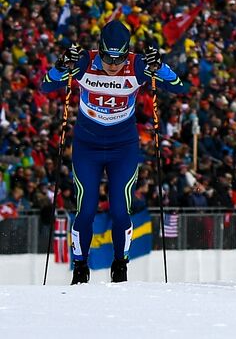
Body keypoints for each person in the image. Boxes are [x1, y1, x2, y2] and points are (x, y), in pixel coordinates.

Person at [40, 19, 186, 284]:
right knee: (86, 209)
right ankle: (80, 266)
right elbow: (46, 86)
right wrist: (62, 65)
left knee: (120, 210)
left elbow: (179, 87)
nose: (113, 67)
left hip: (123, 147)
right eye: (108, 61)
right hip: (88, 146)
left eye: (118, 62)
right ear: (100, 51)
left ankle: (120, 265)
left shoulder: (137, 64)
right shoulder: (85, 61)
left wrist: (159, 66)